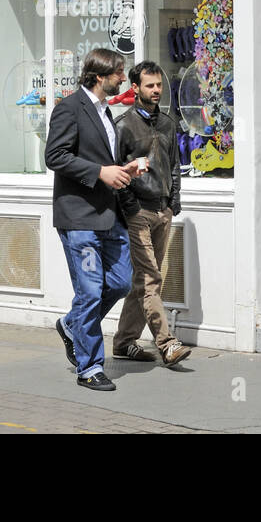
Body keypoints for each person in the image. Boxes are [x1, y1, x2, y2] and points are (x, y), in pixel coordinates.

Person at [45, 48, 140, 391]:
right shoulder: (68, 109)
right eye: (118, 73)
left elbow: (104, 161)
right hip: (80, 218)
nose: (123, 78)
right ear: (100, 76)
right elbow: (55, 156)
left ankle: (72, 326)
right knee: (89, 291)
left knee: (120, 282)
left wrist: (122, 169)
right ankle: (90, 367)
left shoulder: (105, 112)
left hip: (109, 215)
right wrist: (101, 172)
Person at [112, 61, 192, 367]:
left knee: (144, 281)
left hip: (163, 210)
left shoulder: (168, 124)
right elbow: (116, 172)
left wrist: (174, 201)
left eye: (159, 85)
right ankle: (167, 343)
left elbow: (174, 166)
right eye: (150, 85)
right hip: (138, 213)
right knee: (150, 278)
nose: (156, 90)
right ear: (135, 88)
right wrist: (131, 207)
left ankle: (123, 342)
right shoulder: (123, 126)